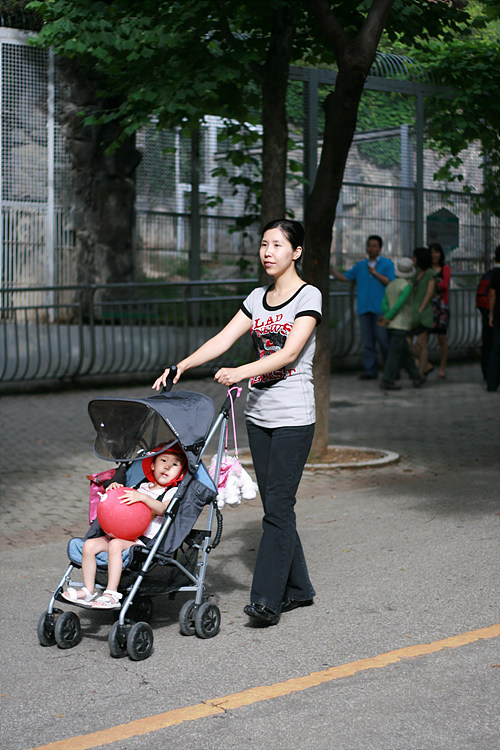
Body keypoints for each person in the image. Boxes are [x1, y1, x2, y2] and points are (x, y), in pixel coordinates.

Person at [153, 219, 322, 627]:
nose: (268, 252)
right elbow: (223, 338)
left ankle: (266, 601)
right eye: (264, 244)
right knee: (276, 505)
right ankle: (300, 589)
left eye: (277, 245)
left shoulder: (308, 295)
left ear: (296, 252)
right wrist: (182, 365)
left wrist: (239, 372)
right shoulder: (257, 298)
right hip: (258, 416)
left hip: (293, 417)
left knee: (278, 506)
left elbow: (288, 353)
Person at [62, 445, 186, 609]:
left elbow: (163, 509)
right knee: (89, 545)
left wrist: (142, 498)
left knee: (115, 544)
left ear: (180, 473)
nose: (168, 466)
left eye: (175, 464)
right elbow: (120, 503)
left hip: (142, 542)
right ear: (153, 465)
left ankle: (111, 593)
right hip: (119, 534)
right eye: (163, 460)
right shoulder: (141, 487)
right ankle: (88, 590)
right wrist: (115, 489)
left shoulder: (171, 492)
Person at [331, 235, 395, 379]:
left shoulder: (387, 264)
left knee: (383, 339)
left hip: (381, 309)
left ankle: (390, 370)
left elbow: (390, 282)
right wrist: (332, 271)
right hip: (364, 308)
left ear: (380, 248)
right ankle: (370, 371)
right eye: (369, 245)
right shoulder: (361, 265)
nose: (371, 248)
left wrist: (375, 273)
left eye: (374, 246)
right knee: (367, 342)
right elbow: (346, 277)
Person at [377, 257, 425, 390]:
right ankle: (387, 379)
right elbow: (399, 304)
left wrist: (387, 316)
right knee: (395, 354)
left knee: (405, 352)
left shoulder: (390, 285)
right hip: (401, 324)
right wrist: (390, 316)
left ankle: (416, 376)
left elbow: (384, 303)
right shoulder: (406, 286)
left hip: (390, 325)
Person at [409, 247, 437, 377]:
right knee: (407, 342)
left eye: (414, 257)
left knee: (421, 343)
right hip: (414, 312)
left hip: (424, 312)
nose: (413, 259)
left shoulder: (430, 274)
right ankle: (425, 365)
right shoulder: (416, 274)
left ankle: (420, 372)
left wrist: (421, 308)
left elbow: (429, 293)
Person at [429, 242, 451, 379]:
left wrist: (432, 284)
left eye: (436, 252)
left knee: (441, 337)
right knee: (423, 337)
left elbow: (445, 285)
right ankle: (424, 365)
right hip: (428, 305)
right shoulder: (427, 269)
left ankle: (442, 368)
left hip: (441, 306)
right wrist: (437, 282)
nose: (434, 255)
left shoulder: (445, 268)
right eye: (431, 252)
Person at [486, 245, 500, 392]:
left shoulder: (496, 273)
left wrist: (491, 314)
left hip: (498, 314)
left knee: (496, 349)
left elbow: (493, 295)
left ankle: (492, 382)